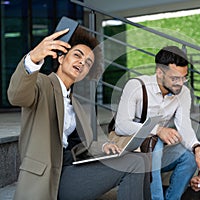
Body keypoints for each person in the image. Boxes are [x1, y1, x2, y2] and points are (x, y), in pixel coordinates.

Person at [7, 25, 150, 200]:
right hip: (47, 178)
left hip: (70, 169)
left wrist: (104, 146)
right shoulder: (42, 84)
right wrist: (33, 58)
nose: (82, 62)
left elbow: (85, 144)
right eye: (77, 55)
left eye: (88, 63)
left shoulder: (77, 104)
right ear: (61, 58)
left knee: (141, 160)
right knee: (134, 163)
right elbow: (16, 96)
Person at [114, 45, 200, 200]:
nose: (180, 83)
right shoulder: (137, 86)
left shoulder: (182, 92)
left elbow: (184, 126)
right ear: (159, 73)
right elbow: (121, 125)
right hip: (130, 155)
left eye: (184, 77)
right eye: (175, 78)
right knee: (156, 142)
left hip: (154, 157)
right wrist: (157, 130)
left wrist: (197, 147)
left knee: (189, 156)